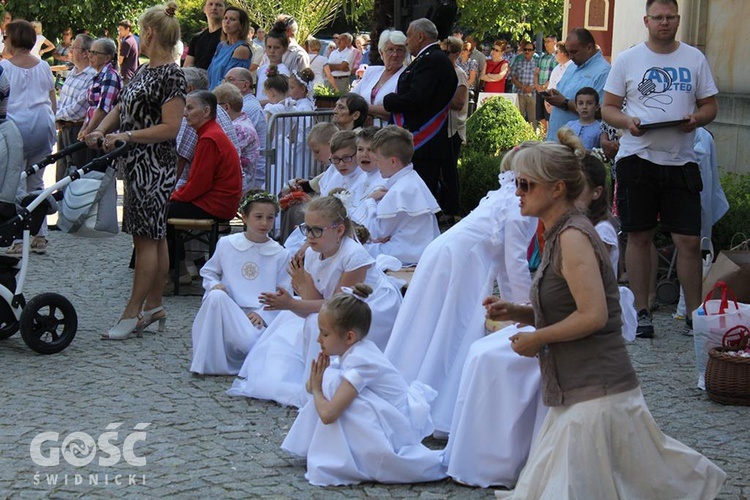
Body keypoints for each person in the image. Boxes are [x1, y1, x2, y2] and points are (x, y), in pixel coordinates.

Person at [486, 128, 725, 499]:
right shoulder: (558, 233)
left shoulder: (573, 238)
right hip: (579, 390)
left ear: (557, 189)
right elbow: (570, 306)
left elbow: (594, 316)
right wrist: (520, 311)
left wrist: (538, 338)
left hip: (597, 391)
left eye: (525, 183)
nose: (516, 191)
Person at [385, 143, 537, 441]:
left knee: (428, 325)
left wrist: (516, 306)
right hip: (463, 263)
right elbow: (514, 262)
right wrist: (525, 308)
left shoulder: (503, 196)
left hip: (445, 253)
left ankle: (413, 394)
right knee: (452, 332)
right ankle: (438, 408)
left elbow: (509, 262)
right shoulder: (520, 207)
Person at [601, 0, 719, 338]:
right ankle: (642, 310)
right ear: (647, 21)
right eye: (658, 18)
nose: (664, 23)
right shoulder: (628, 59)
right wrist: (627, 121)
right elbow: (608, 108)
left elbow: (710, 105)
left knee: (690, 240)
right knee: (639, 235)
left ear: (678, 20)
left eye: (670, 18)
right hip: (637, 157)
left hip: (681, 159)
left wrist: (697, 118)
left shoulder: (694, 58)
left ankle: (695, 315)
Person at [227, 195, 402, 407]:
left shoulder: (354, 256)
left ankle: (322, 387)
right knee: (302, 324)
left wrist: (291, 303)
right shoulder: (312, 253)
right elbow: (312, 305)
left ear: (338, 230)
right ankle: (312, 382)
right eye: (306, 229)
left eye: (316, 230)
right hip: (333, 306)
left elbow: (340, 307)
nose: (309, 236)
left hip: (367, 307)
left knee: (312, 323)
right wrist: (296, 295)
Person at [84, 1, 186, 340]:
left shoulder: (171, 73)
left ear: (150, 33)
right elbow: (121, 104)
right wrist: (101, 129)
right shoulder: (145, 70)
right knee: (153, 238)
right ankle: (154, 305)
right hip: (138, 162)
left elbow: (171, 127)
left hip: (155, 164)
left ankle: (132, 312)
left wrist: (126, 135)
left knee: (145, 239)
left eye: (142, 31)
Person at [281, 284, 447, 486]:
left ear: (349, 337)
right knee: (332, 380)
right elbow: (311, 387)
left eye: (324, 334)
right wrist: (318, 382)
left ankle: (362, 457)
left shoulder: (361, 361)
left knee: (336, 387)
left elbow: (328, 414)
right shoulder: (352, 352)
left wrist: (318, 388)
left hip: (398, 428)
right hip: (388, 418)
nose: (319, 339)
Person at [190, 190, 291, 375]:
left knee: (247, 343)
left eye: (270, 218)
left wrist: (263, 314)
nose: (264, 223)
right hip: (229, 311)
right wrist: (214, 285)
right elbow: (209, 272)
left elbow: (285, 291)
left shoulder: (280, 253)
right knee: (216, 297)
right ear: (244, 217)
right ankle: (207, 363)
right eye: (258, 217)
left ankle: (246, 355)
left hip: (256, 318)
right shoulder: (227, 244)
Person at [382, 18, 458, 215]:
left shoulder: (432, 60)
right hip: (421, 141)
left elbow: (418, 98)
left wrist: (390, 101)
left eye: (408, 35)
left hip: (424, 142)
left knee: (420, 199)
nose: (406, 41)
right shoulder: (430, 58)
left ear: (420, 36)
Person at [167, 90, 242, 274]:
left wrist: (173, 196)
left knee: (160, 212)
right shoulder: (210, 133)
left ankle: (177, 270)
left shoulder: (209, 138)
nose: (185, 113)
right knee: (164, 208)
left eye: (190, 108)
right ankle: (180, 267)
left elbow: (199, 184)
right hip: (218, 200)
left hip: (216, 204)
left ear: (206, 111)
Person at [1, 20, 56, 256]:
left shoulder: (6, 68)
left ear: (12, 40)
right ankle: (40, 235)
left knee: (15, 183)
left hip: (16, 126)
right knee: (37, 180)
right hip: (42, 124)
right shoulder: (43, 66)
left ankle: (18, 237)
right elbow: (52, 96)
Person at [362, 126, 440, 265]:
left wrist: (370, 201)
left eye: (378, 160)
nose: (376, 165)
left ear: (393, 161)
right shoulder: (412, 179)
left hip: (402, 255)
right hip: (415, 250)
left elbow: (374, 233)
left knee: (353, 251)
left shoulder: (400, 190)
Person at [545, 27, 610, 140]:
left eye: (574, 52)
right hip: (556, 141)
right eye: (568, 52)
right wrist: (553, 96)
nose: (570, 56)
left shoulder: (603, 72)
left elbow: (603, 112)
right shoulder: (572, 65)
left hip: (577, 146)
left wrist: (565, 103)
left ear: (589, 47)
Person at [54, 34, 96, 181]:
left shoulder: (92, 75)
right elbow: (64, 100)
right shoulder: (73, 71)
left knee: (75, 178)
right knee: (61, 176)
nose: (70, 51)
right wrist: (58, 117)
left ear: (86, 53)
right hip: (65, 128)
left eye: (74, 48)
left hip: (78, 131)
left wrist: (56, 117)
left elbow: (79, 107)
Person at [351, 29, 407, 127]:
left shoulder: (407, 75)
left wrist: (366, 110)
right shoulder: (371, 71)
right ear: (381, 52)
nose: (395, 54)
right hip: (365, 132)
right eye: (390, 49)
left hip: (390, 133)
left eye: (399, 50)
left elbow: (398, 109)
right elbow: (352, 98)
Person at [212, 83, 260, 194]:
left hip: (236, 188)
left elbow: (220, 156)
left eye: (215, 106)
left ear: (226, 107)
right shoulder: (240, 122)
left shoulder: (239, 129)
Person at [77, 38, 122, 143]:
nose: (89, 56)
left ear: (106, 58)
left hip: (103, 137)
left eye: (94, 53)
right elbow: (91, 108)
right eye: (90, 52)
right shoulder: (99, 75)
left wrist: (88, 130)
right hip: (93, 134)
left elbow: (103, 109)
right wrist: (84, 128)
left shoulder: (110, 76)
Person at [206, 6, 251, 90]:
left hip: (225, 97)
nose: (227, 22)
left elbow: (229, 80)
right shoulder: (221, 46)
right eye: (225, 18)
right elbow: (210, 73)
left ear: (241, 26)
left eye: (232, 19)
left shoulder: (241, 49)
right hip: (211, 94)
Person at [256, 22, 291, 105]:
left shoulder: (283, 72)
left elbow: (281, 99)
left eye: (276, 48)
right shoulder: (261, 69)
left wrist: (261, 103)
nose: (272, 51)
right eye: (269, 47)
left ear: (285, 48)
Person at [185, 0, 225, 70]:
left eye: (218, 5)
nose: (214, 8)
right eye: (210, 4)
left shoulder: (228, 37)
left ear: (225, 10)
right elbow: (187, 66)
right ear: (204, 9)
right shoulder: (196, 38)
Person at [509, 40, 538, 129]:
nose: (527, 51)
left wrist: (532, 87)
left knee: (533, 119)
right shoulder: (518, 62)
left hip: (533, 94)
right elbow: (512, 78)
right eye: (525, 49)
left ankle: (533, 138)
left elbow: (540, 78)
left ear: (533, 51)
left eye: (529, 50)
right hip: (520, 93)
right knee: (519, 117)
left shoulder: (538, 62)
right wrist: (522, 87)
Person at [534, 35, 558, 133]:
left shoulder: (556, 57)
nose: (546, 44)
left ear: (555, 43)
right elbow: (536, 72)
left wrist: (545, 86)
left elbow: (555, 75)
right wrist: (536, 85)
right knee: (540, 116)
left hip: (549, 91)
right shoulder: (542, 57)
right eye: (545, 41)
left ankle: (549, 137)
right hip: (539, 90)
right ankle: (543, 137)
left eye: (548, 41)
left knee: (549, 116)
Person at [544, 41, 572, 116]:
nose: (554, 54)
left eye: (556, 52)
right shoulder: (556, 68)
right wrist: (547, 102)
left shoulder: (573, 68)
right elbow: (550, 87)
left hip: (564, 108)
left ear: (564, 53)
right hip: (552, 106)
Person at [117, 20, 139, 85]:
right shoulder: (132, 39)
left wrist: (119, 45)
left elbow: (120, 61)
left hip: (127, 76)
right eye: (119, 29)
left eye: (121, 29)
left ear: (128, 29)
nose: (119, 32)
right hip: (132, 75)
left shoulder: (126, 43)